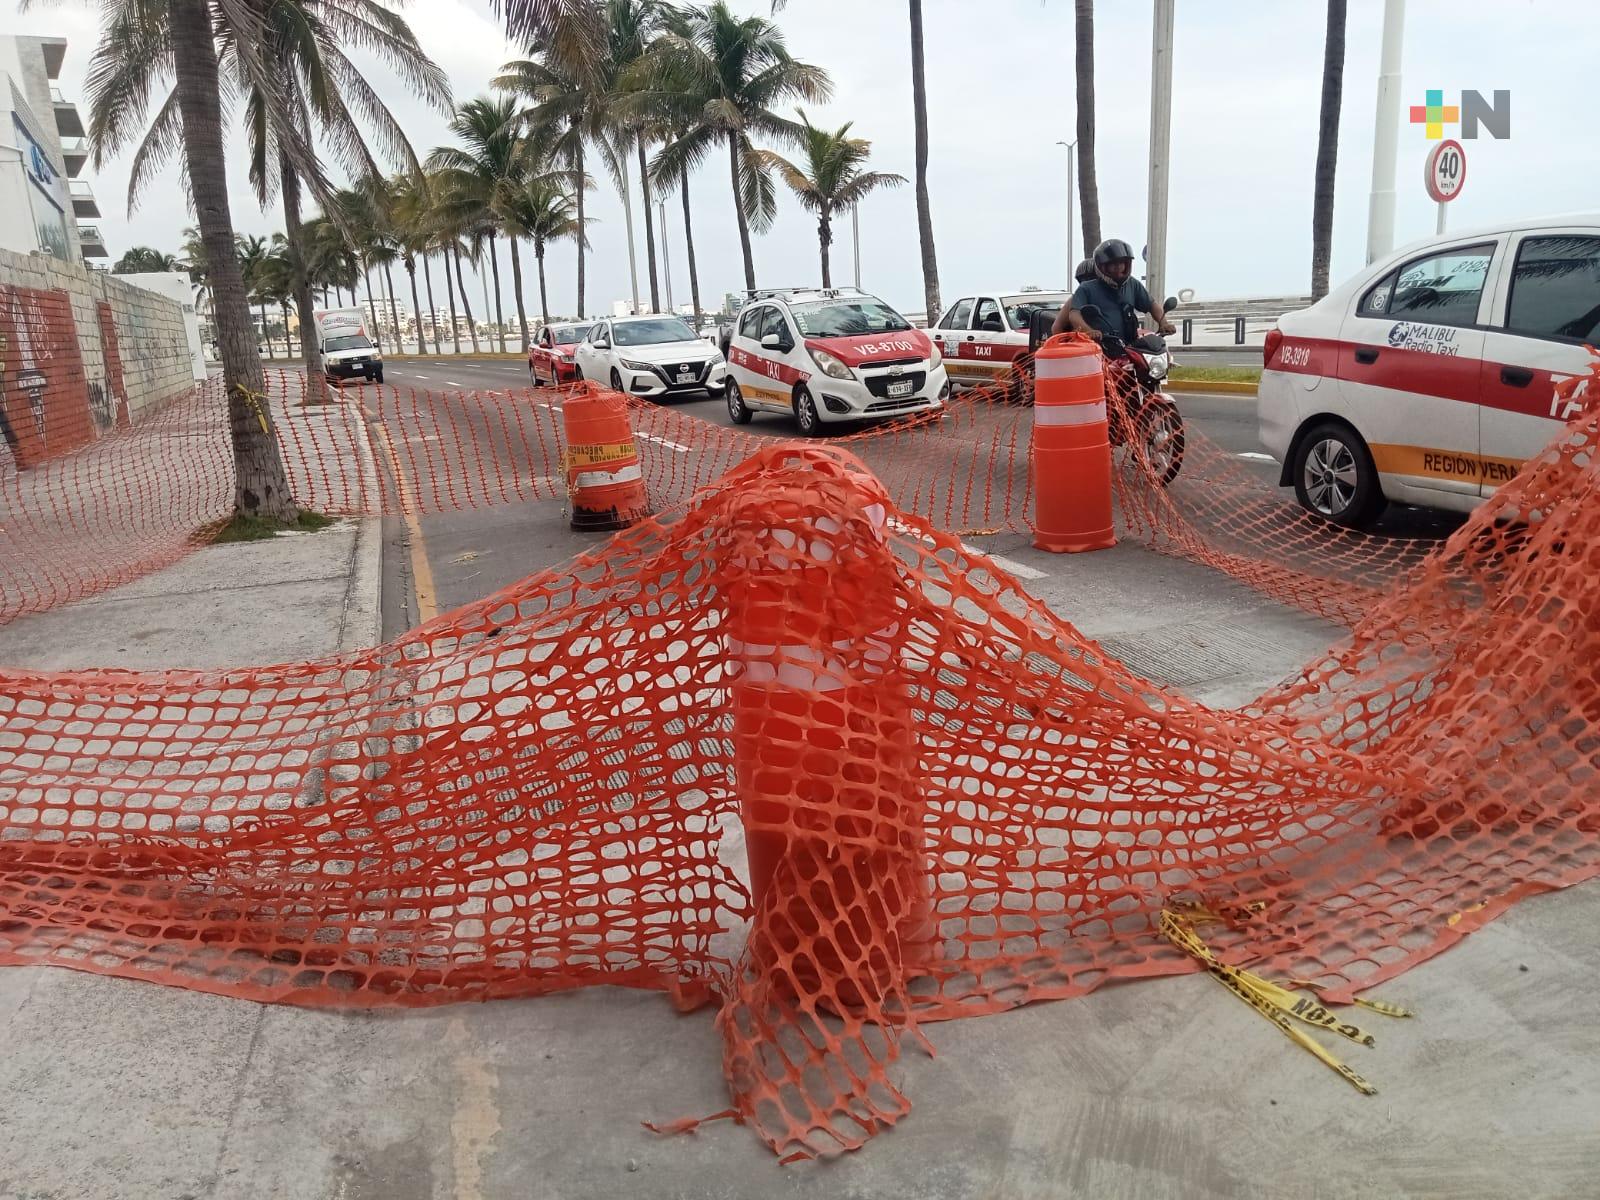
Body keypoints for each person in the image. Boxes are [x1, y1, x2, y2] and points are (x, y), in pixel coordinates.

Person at [1052, 239, 1176, 341]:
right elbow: (1073, 315)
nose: (1118, 267)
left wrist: (1163, 322)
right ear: (1102, 267)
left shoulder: (1132, 284)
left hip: (1129, 347)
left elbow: (1152, 305)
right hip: (1098, 350)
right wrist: (1088, 331)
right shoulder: (1086, 289)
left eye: (1122, 263)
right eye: (1113, 264)